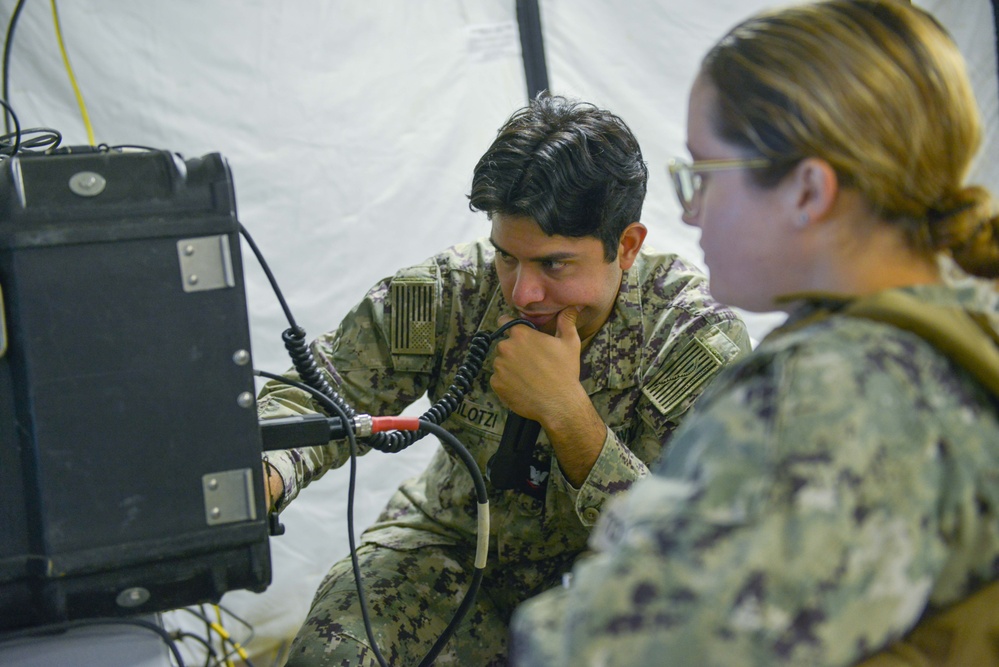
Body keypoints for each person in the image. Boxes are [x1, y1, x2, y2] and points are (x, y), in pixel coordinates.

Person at [510, 1, 999, 666]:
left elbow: (605, 651)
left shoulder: (824, 393)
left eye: (702, 173)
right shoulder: (965, 319)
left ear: (805, 191)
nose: (688, 208)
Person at [257, 93, 752, 666]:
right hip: (450, 545)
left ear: (627, 245)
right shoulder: (450, 293)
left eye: (554, 264)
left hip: (616, 583)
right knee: (334, 654)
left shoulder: (691, 343)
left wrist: (568, 414)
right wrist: (268, 471)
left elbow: (703, 547)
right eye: (507, 257)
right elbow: (320, 390)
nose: (521, 294)